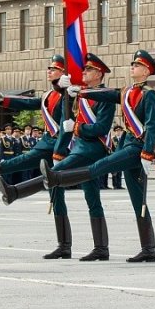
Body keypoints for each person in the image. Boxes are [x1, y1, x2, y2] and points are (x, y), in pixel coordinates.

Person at [41, 50, 155, 263]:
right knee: (137, 200)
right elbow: (106, 94)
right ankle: (148, 249)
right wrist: (81, 91)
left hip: (138, 148)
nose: (132, 66)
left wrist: (148, 152)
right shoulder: (126, 92)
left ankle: (58, 178)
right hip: (129, 144)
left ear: (146, 70)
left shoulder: (149, 94)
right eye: (132, 63)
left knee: (101, 166)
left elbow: (153, 125)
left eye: (137, 64)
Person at [0, 56, 72, 256]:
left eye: (54, 69)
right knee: (55, 193)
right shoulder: (48, 96)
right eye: (49, 68)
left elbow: (66, 125)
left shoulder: (68, 95)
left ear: (63, 73)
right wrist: (4, 98)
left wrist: (60, 151)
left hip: (57, 145)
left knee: (22, 165)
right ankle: (64, 246)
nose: (49, 71)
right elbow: (30, 103)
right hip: (47, 143)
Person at [42, 53, 116, 261]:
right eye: (83, 70)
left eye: (88, 70)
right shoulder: (81, 94)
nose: (83, 73)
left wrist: (77, 127)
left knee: (54, 175)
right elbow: (62, 103)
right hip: (80, 148)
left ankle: (16, 191)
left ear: (99, 74)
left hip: (93, 149)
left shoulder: (105, 96)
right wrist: (61, 86)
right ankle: (93, 248)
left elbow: (101, 127)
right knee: (91, 197)